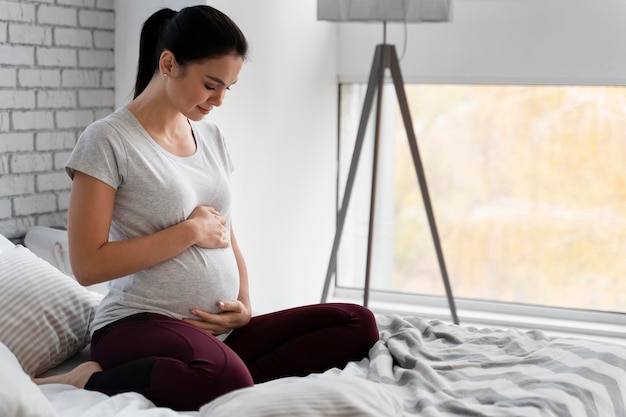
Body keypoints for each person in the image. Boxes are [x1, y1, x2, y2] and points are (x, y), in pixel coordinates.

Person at [34, 5, 379, 412]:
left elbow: (227, 232)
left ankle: (221, 373)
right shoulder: (107, 140)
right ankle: (91, 378)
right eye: (210, 84)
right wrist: (188, 232)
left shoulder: (211, 137)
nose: (218, 100)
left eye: (227, 88)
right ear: (169, 63)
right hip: (137, 323)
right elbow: (88, 265)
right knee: (225, 378)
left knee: (357, 324)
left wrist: (244, 306)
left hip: (215, 330)